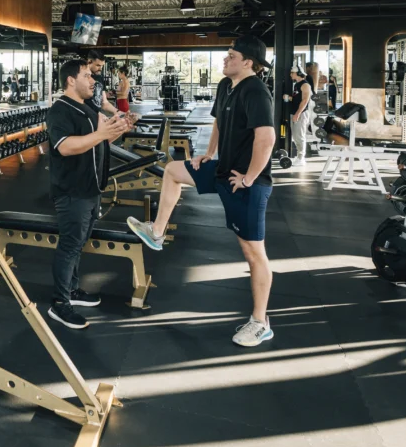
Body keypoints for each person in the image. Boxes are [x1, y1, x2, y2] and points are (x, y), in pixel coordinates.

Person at [126, 35, 277, 348]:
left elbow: (266, 139)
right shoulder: (226, 86)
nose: (225, 60)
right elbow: (219, 123)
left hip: (246, 183)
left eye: (231, 56)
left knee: (253, 254)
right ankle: (156, 231)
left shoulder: (256, 91)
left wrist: (249, 178)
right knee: (173, 170)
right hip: (222, 170)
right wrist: (209, 153)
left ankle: (260, 322)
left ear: (248, 62)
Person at [45, 59, 132, 330]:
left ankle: (72, 289)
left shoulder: (88, 107)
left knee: (78, 243)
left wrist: (116, 130)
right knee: (69, 246)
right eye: (86, 75)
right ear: (71, 80)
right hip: (72, 191)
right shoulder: (59, 110)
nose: (93, 80)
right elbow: (66, 147)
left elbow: (100, 141)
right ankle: (60, 304)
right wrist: (101, 133)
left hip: (92, 187)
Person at [287, 66, 312, 167]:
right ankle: (299, 156)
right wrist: (289, 98)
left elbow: (305, 100)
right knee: (296, 136)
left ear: (297, 73)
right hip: (295, 112)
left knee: (299, 136)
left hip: (301, 113)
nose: (290, 75)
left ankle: (301, 158)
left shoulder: (305, 85)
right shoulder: (297, 85)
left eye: (292, 73)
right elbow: (297, 98)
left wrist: (297, 114)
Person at [84, 51, 119, 118]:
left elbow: (104, 103)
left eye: (102, 66)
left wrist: (118, 112)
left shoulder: (99, 77)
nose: (100, 69)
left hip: (96, 118)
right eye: (98, 65)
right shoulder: (81, 77)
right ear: (89, 61)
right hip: (84, 118)